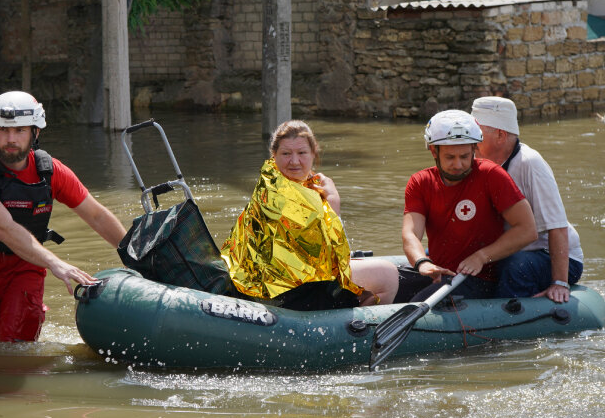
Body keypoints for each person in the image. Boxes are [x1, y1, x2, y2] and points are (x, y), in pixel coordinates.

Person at [0, 91, 127, 341]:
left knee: (16, 344)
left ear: (36, 132)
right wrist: (57, 263)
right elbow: (4, 228)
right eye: (3, 130)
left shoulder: (50, 171)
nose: (10, 139)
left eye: (20, 130)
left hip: (25, 268)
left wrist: (134, 257)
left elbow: (97, 215)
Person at [220, 120, 398, 310]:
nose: (294, 161)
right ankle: (359, 332)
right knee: (389, 275)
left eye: (302, 153)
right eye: (286, 154)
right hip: (286, 290)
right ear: (274, 156)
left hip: (254, 280)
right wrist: (333, 201)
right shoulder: (286, 194)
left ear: (313, 154)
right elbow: (325, 256)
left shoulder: (272, 180)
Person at [401, 109, 537, 299]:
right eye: (450, 157)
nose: (458, 165)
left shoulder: (492, 175)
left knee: (416, 304)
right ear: (434, 151)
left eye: (465, 156)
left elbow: (527, 229)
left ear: (475, 149)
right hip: (440, 273)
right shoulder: (419, 182)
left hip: (477, 278)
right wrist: (421, 262)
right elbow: (410, 233)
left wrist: (481, 257)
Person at [471, 96, 583, 303]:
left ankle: (508, 324)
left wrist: (560, 282)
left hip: (550, 255)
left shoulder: (529, 163)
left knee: (515, 266)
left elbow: (557, 226)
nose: (470, 141)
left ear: (500, 135)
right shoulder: (476, 163)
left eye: (476, 134)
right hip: (509, 248)